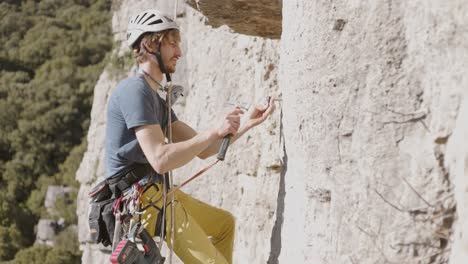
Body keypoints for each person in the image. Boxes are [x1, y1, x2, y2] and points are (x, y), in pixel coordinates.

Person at [104, 9, 275, 264]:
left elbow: (206, 149)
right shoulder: (134, 91)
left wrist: (247, 122)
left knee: (224, 225)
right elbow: (160, 159)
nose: (179, 53)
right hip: (141, 202)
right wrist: (212, 131)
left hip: (154, 195)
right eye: (172, 43)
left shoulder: (156, 101)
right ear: (151, 44)